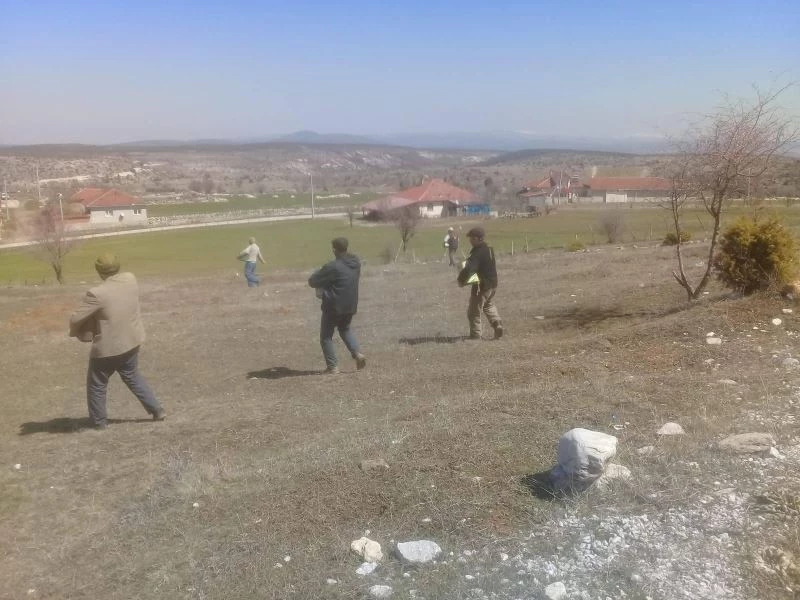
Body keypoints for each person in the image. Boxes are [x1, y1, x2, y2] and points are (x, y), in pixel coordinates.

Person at [69, 254, 165, 429]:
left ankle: (99, 423)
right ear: (118, 266)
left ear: (99, 270)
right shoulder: (130, 279)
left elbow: (76, 319)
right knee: (133, 376)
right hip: (132, 341)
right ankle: (157, 410)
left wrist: (78, 331)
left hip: (108, 348)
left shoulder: (96, 293)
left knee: (97, 384)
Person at [308, 237, 367, 374]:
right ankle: (357, 353)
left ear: (334, 249)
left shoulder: (333, 266)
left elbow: (313, 282)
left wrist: (319, 273)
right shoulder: (355, 264)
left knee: (326, 337)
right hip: (351, 305)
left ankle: (332, 366)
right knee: (345, 329)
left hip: (334, 305)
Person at [457, 227, 504, 340]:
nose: (470, 241)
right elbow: (483, 266)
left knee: (473, 312)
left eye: (471, 238)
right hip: (493, 284)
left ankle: (475, 335)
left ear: (477, 238)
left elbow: (469, 269)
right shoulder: (489, 249)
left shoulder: (477, 253)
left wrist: (461, 280)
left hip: (482, 286)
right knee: (488, 305)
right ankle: (497, 324)